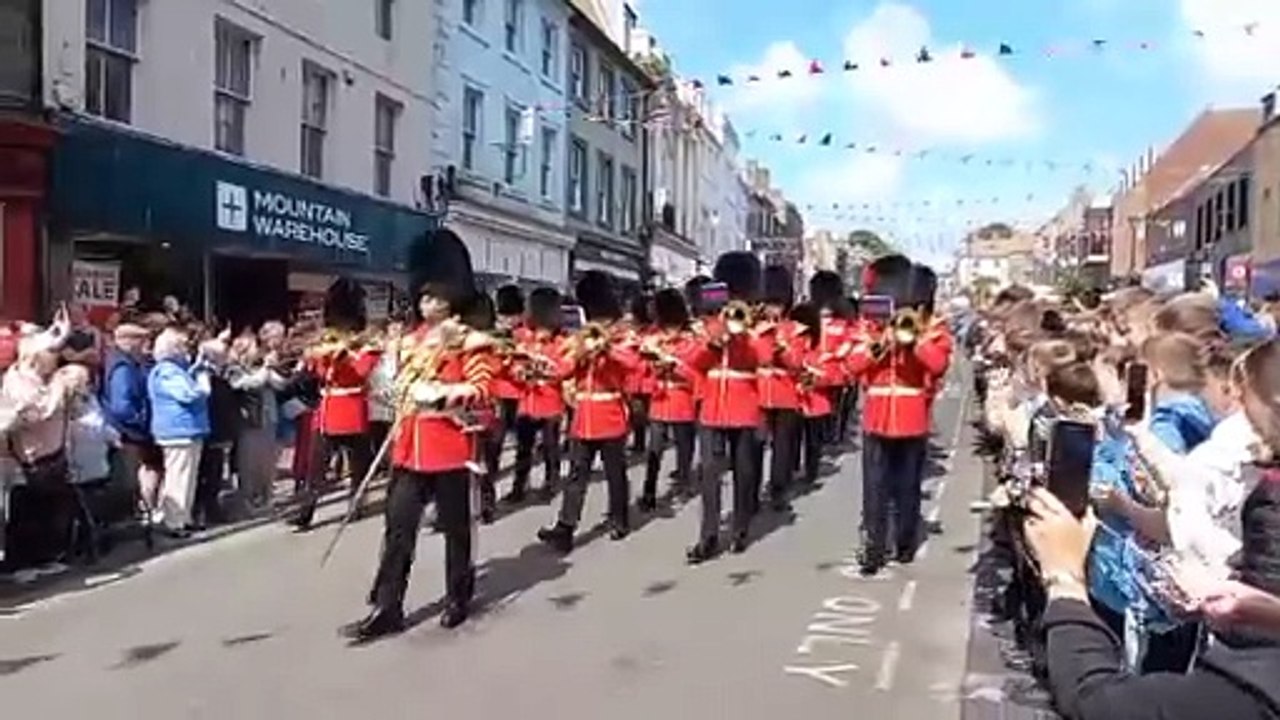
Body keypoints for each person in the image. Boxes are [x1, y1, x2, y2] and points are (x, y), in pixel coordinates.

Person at [343, 229, 493, 640]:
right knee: (398, 529)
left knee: (456, 527)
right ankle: (387, 605)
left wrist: (444, 394)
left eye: (439, 299)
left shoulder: (469, 342)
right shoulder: (406, 343)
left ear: (453, 300)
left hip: (448, 445)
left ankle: (458, 595)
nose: (431, 305)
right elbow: (387, 386)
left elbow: (481, 389)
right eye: (426, 298)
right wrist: (390, 386)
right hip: (410, 446)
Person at [847, 257, 951, 575]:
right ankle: (874, 547)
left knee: (907, 488)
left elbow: (938, 365)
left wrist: (914, 340)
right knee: (874, 488)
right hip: (877, 418)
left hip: (911, 419)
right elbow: (853, 366)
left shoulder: (934, 330)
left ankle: (904, 542)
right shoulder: (871, 329)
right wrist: (882, 344)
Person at [537, 271, 638, 553]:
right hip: (584, 416)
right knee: (576, 475)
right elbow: (560, 370)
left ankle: (619, 519)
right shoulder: (580, 336)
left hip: (611, 413)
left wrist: (607, 349)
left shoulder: (623, 335)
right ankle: (566, 527)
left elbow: (632, 364)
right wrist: (580, 352)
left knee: (615, 472)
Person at [687, 252, 764, 562]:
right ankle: (708, 536)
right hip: (712, 409)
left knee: (744, 472)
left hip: (743, 407)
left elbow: (765, 358)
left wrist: (744, 335)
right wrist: (713, 341)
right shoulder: (709, 325)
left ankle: (741, 528)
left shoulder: (756, 326)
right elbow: (693, 362)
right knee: (709, 473)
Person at [292, 280, 382, 531]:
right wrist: (315, 359)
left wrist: (345, 357)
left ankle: (356, 503)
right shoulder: (327, 343)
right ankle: (305, 511)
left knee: (358, 465)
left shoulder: (367, 346)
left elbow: (362, 372)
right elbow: (320, 374)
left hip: (353, 409)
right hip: (328, 410)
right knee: (316, 466)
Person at [146, 327, 212, 539]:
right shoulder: (166, 371)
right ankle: (173, 522)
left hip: (188, 430)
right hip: (177, 431)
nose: (186, 349)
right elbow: (188, 394)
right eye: (182, 345)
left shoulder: (176, 370)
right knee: (178, 476)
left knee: (188, 476)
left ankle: (184, 517)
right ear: (172, 349)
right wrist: (203, 381)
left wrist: (196, 368)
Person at [641, 288, 699, 507]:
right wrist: (652, 364)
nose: (668, 331)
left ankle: (684, 482)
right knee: (654, 448)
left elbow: (696, 374)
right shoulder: (654, 336)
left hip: (682, 399)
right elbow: (642, 370)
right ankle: (649, 490)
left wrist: (676, 366)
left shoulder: (691, 339)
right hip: (659, 399)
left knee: (684, 448)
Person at [754, 265, 803, 512]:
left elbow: (797, 364)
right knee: (755, 445)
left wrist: (782, 346)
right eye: (770, 303)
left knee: (782, 447)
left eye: (778, 303)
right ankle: (750, 490)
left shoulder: (795, 330)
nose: (774, 308)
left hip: (785, 393)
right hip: (759, 393)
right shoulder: (755, 328)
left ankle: (778, 489)